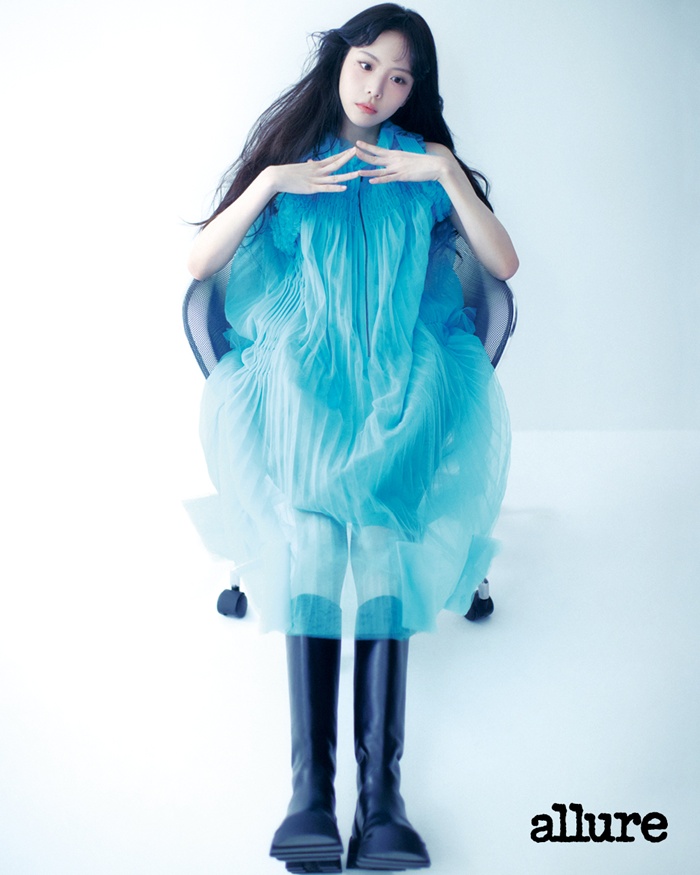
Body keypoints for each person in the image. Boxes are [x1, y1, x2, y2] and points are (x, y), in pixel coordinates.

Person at [188, 4, 518, 871]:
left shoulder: (420, 164)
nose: (378, 88)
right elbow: (200, 265)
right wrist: (271, 182)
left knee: (376, 537)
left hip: (401, 375)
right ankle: (310, 792)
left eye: (400, 77)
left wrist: (446, 171)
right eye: (367, 64)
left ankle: (381, 799)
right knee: (311, 534)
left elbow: (502, 264)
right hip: (303, 374)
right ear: (340, 60)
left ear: (415, 91)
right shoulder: (295, 159)